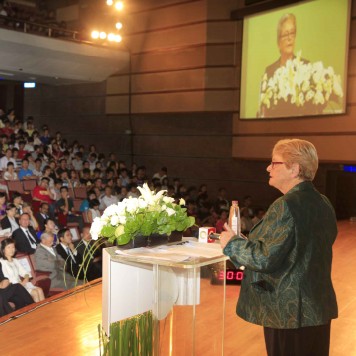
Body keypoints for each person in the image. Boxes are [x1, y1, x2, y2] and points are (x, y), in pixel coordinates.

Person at [220, 139, 338, 356]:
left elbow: (265, 259)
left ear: (294, 169)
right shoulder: (323, 202)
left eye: (274, 163)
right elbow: (298, 250)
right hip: (316, 308)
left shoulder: (285, 205)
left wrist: (232, 244)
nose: (268, 168)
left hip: (288, 312)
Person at [259, 14, 311, 118]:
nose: (289, 38)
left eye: (292, 33)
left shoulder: (306, 66)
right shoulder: (269, 71)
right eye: (285, 34)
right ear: (278, 42)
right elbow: (264, 109)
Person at [0, 238, 45, 303]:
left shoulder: (15, 260)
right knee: (35, 292)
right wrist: (21, 283)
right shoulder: (1, 262)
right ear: (3, 249)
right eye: (8, 247)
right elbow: (6, 279)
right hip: (13, 287)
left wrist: (26, 278)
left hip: (22, 284)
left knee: (40, 290)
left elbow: (25, 272)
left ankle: (45, 311)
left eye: (13, 247)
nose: (11, 250)